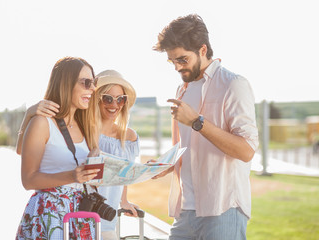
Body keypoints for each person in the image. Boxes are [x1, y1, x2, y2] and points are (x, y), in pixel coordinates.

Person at [152, 14, 259, 240]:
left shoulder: (233, 85)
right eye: (173, 61)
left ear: (202, 50)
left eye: (182, 59)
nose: (177, 68)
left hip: (222, 210)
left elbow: (246, 150)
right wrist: (164, 165)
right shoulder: (182, 90)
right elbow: (183, 148)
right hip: (185, 211)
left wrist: (197, 122)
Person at [16, 70, 140, 240]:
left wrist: (124, 201)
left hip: (93, 216)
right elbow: (25, 155)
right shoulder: (84, 127)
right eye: (108, 98)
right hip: (68, 213)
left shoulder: (126, 136)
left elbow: (122, 173)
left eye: (121, 99)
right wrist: (29, 115)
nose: (114, 104)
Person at [15, 56, 101, 240]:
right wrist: (72, 175)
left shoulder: (84, 125)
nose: (93, 89)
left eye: (94, 83)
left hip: (81, 217)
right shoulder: (42, 123)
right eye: (87, 83)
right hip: (50, 216)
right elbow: (28, 180)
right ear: (66, 84)